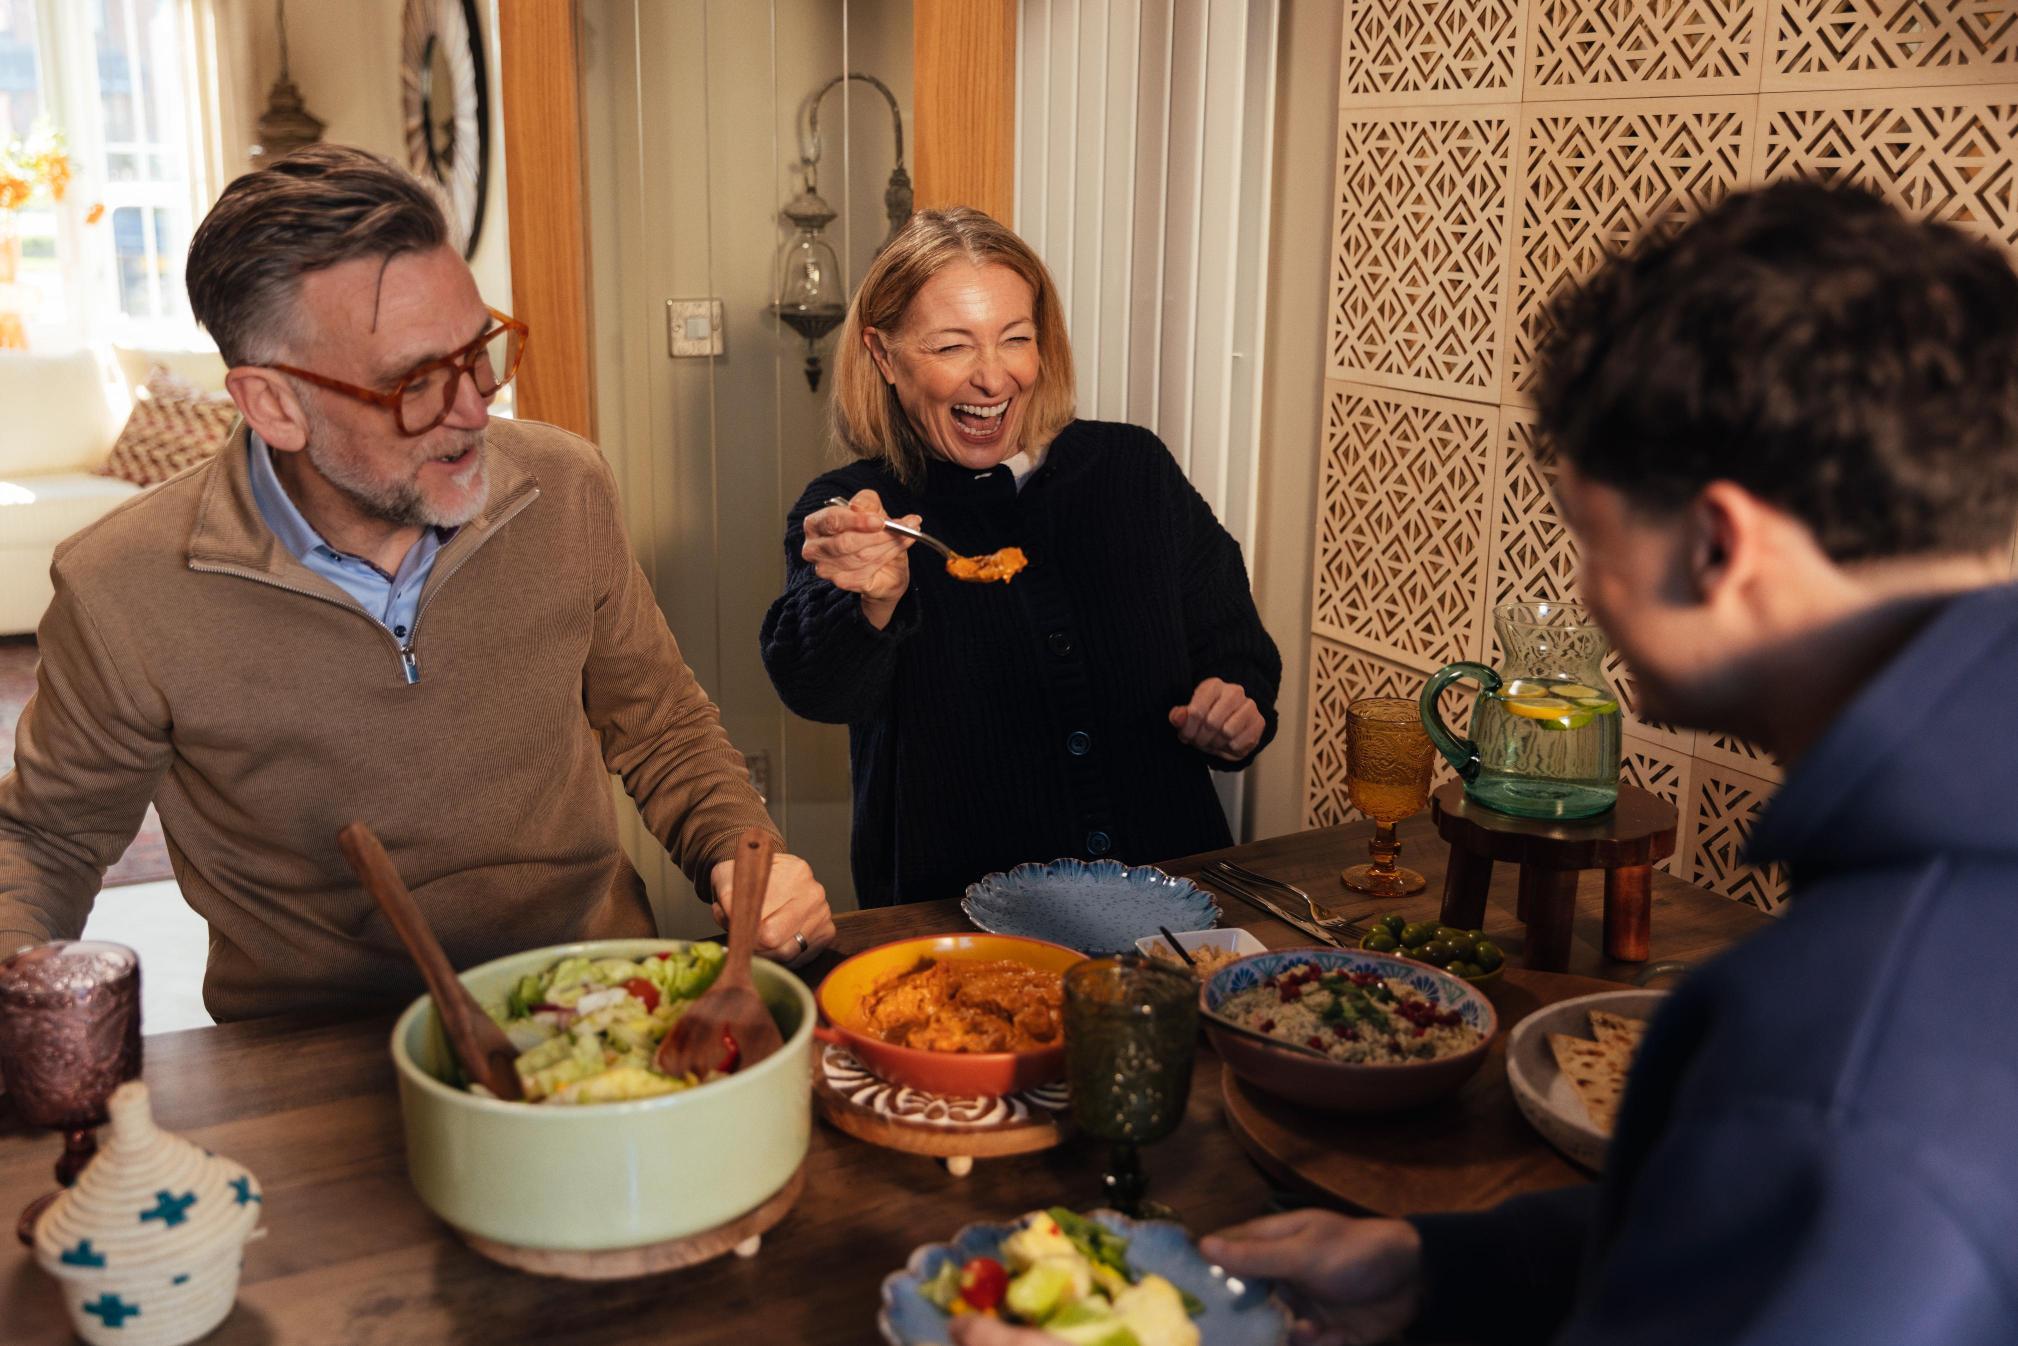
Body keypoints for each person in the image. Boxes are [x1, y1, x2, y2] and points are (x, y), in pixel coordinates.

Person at [956, 182, 2018, 1345]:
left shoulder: (1840, 1058)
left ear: (1717, 545)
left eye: (1584, 529)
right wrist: (1452, 1270)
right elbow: (1730, 1244)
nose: (1578, 590)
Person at [0, 146, 835, 1020]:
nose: (475, 408)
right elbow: (45, 840)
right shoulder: (121, 589)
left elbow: (659, 724)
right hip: (313, 1046)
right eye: (413, 383)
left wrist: (742, 856)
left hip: (592, 992)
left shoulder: (564, 486)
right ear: (273, 405)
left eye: (477, 350)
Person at [760, 208, 1281, 906]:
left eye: (1015, 339)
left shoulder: (1133, 468)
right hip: (957, 925)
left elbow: (1237, 647)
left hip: (1172, 906)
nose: (992, 377)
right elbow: (818, 688)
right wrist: (874, 600)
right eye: (951, 347)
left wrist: (1237, 705)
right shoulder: (856, 509)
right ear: (882, 355)